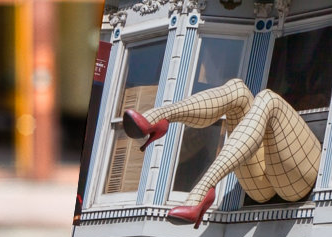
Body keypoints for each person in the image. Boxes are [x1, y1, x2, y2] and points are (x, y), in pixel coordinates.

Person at [122, 78, 321, 228]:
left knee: (268, 99)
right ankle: (159, 116)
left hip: (299, 176)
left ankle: (203, 187)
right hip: (260, 184)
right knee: (238, 89)